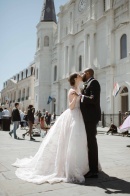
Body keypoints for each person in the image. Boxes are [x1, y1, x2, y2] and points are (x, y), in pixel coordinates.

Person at [12, 72, 100, 184]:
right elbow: (71, 106)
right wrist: (76, 98)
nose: (81, 77)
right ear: (75, 79)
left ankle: (83, 166)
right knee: (72, 140)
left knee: (81, 141)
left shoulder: (80, 89)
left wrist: (81, 96)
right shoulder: (72, 90)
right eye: (78, 76)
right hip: (73, 115)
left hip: (80, 116)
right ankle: (70, 166)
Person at [80, 68, 101, 178]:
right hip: (87, 117)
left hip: (91, 118)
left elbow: (93, 99)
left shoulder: (94, 83)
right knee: (89, 142)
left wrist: (81, 97)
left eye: (83, 73)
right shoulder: (87, 83)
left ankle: (94, 170)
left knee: (92, 143)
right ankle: (92, 167)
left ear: (88, 73)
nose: (82, 74)